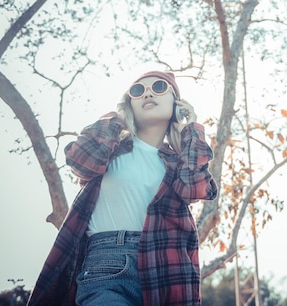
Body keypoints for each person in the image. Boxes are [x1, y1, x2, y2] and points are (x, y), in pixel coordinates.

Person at [27, 71, 218, 306]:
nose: (147, 92)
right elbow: (79, 160)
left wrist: (191, 129)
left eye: (159, 87)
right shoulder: (111, 150)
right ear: (129, 103)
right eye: (137, 91)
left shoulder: (177, 162)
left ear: (177, 104)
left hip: (167, 268)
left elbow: (194, 188)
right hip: (106, 264)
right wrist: (118, 119)